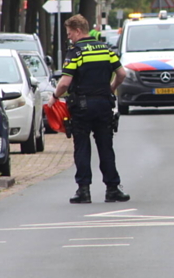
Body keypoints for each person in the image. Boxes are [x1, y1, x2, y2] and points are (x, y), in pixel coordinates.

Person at [53, 14, 130, 204]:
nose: (69, 37)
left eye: (70, 33)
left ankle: (84, 190)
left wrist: (54, 97)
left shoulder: (76, 53)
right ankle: (112, 189)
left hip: (82, 107)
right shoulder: (106, 49)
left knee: (82, 147)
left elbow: (65, 83)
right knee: (105, 146)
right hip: (104, 105)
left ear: (78, 31)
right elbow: (122, 74)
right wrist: (111, 88)